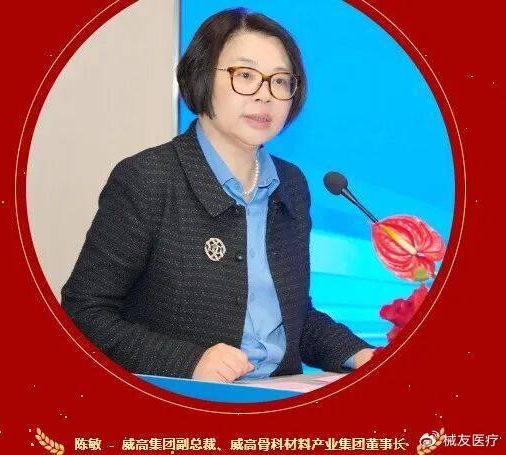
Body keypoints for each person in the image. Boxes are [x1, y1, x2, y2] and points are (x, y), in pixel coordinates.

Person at [61, 7, 375, 384]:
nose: (265, 96)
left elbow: (293, 317)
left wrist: (360, 354)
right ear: (202, 76)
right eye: (245, 75)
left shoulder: (290, 184)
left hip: (280, 395)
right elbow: (85, 313)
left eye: (280, 81)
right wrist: (188, 362)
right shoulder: (149, 179)